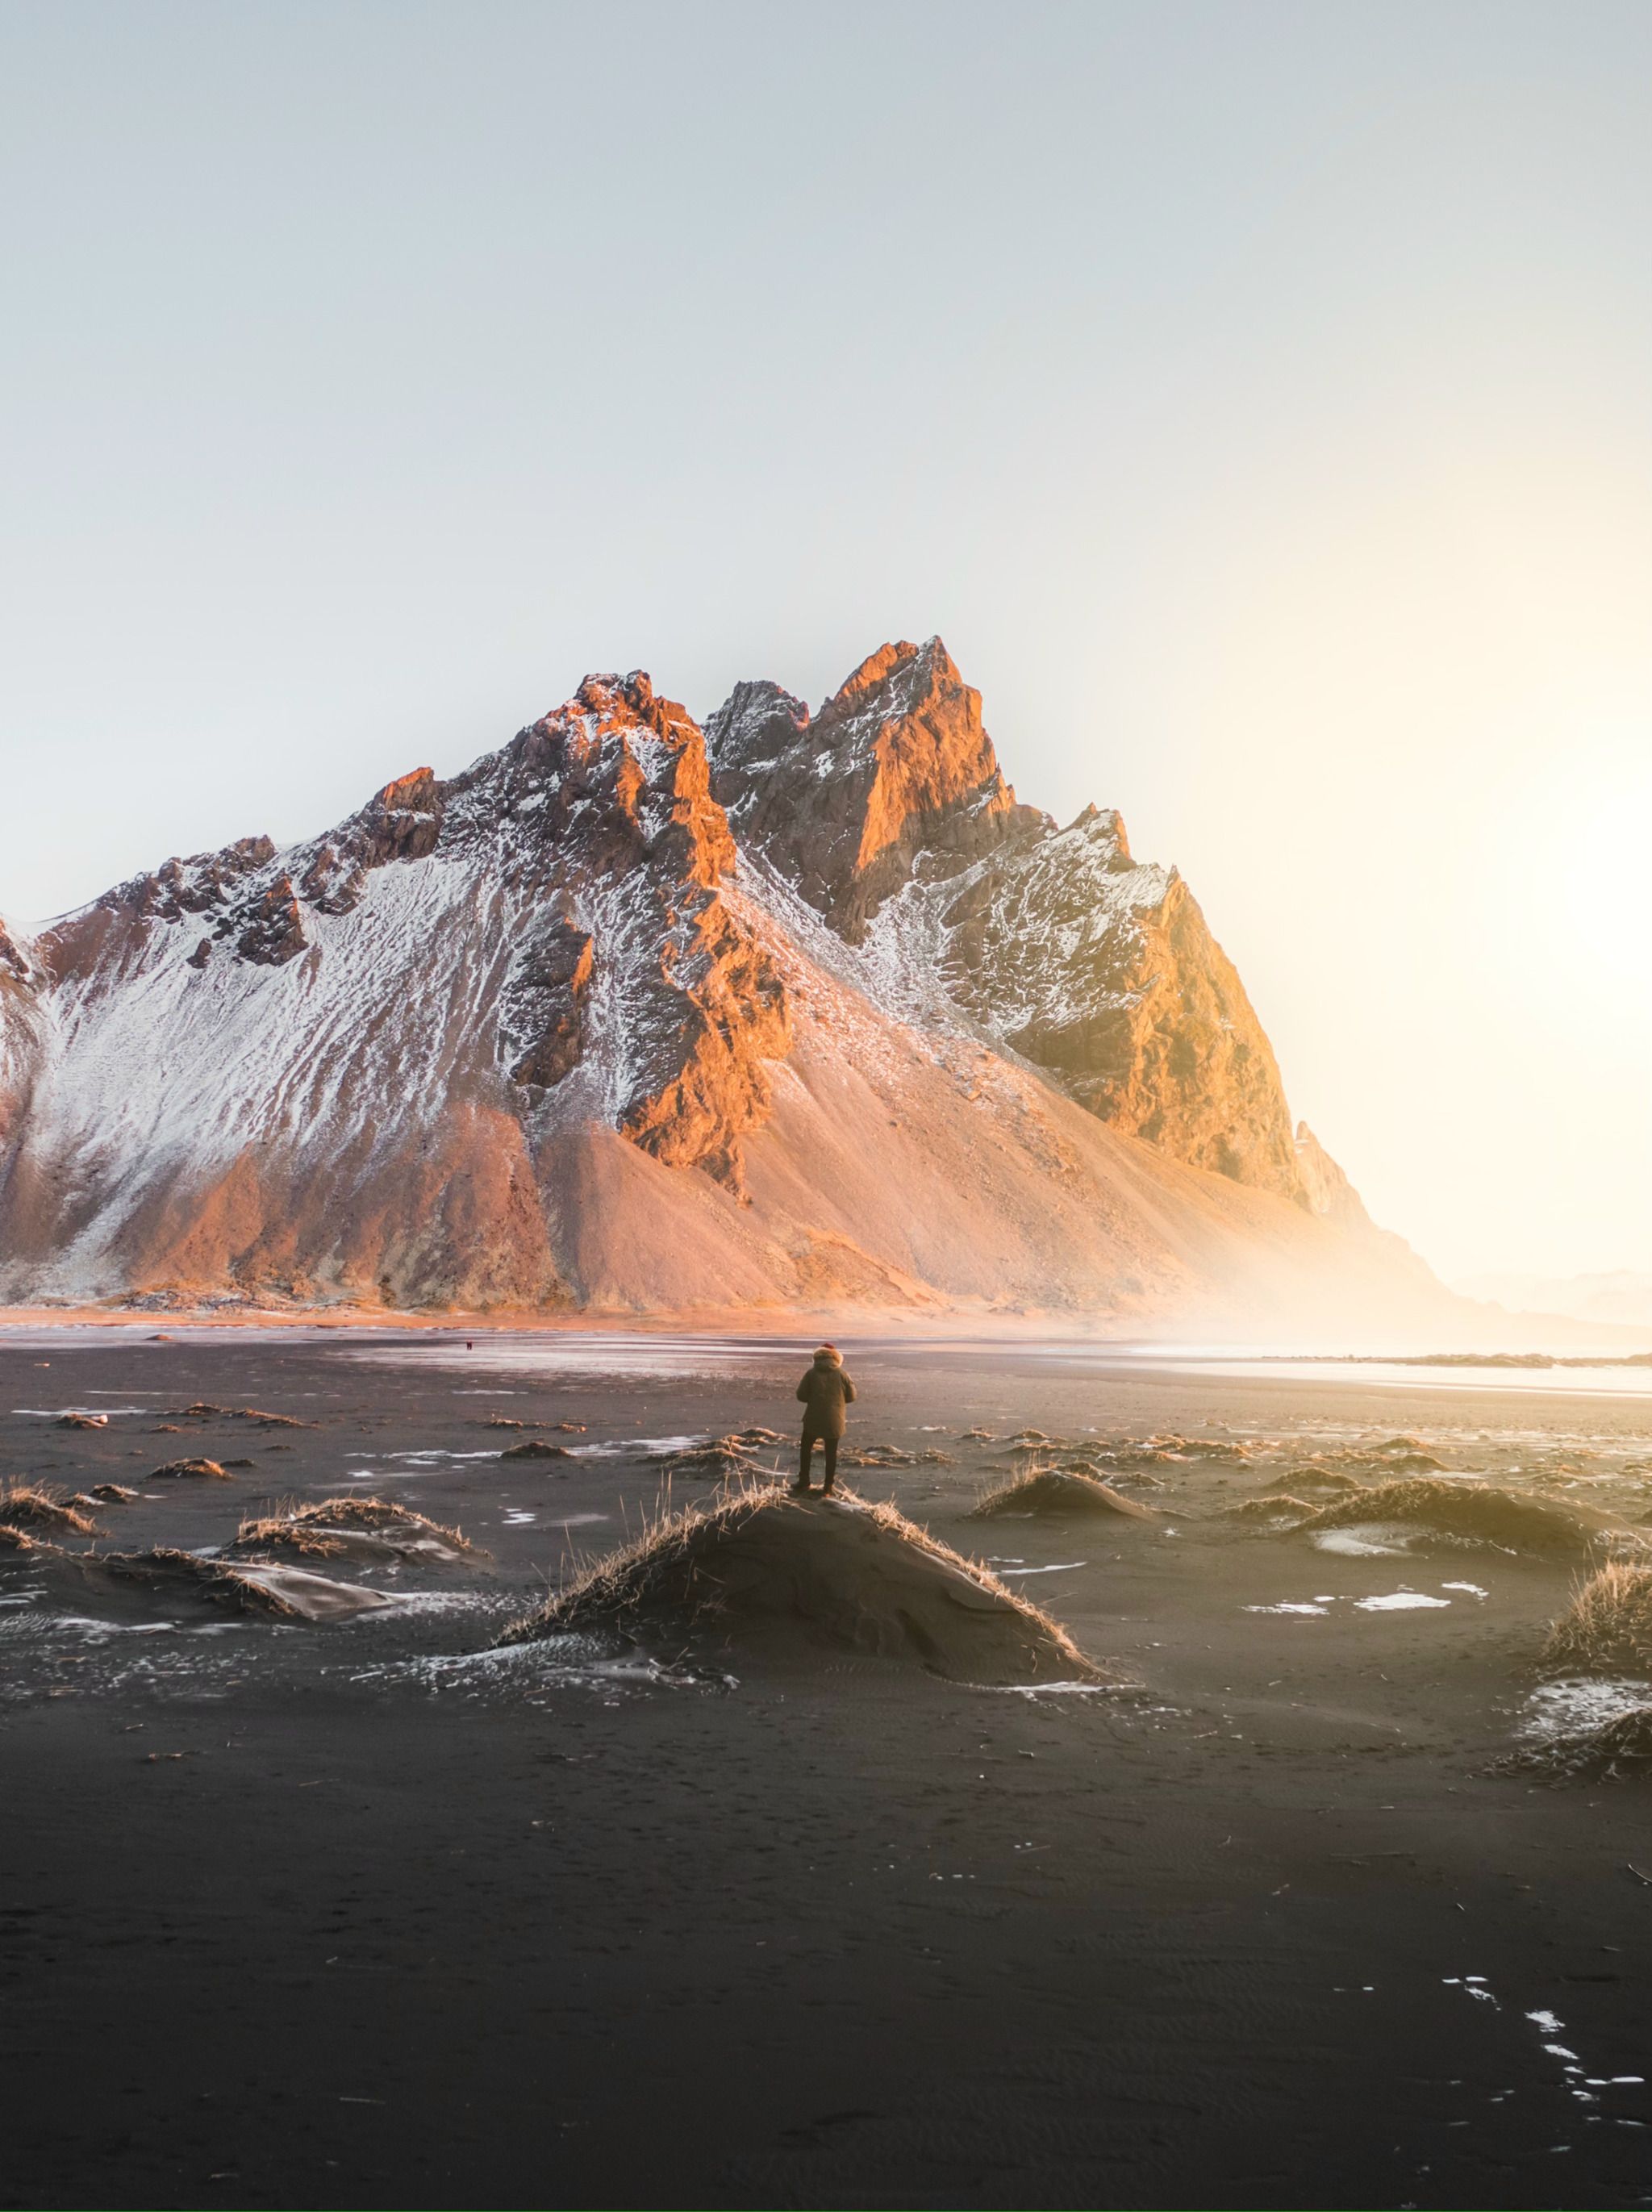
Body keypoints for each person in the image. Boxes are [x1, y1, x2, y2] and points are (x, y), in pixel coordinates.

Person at [793, 1342, 857, 1496]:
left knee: (806, 1450)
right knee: (831, 1453)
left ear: (818, 1356)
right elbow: (852, 1396)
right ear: (836, 1357)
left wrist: (815, 1399)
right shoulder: (842, 1374)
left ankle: (804, 1482)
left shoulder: (811, 1373)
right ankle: (828, 1488)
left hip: (813, 1417)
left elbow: (801, 1395)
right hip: (835, 1419)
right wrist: (837, 1402)